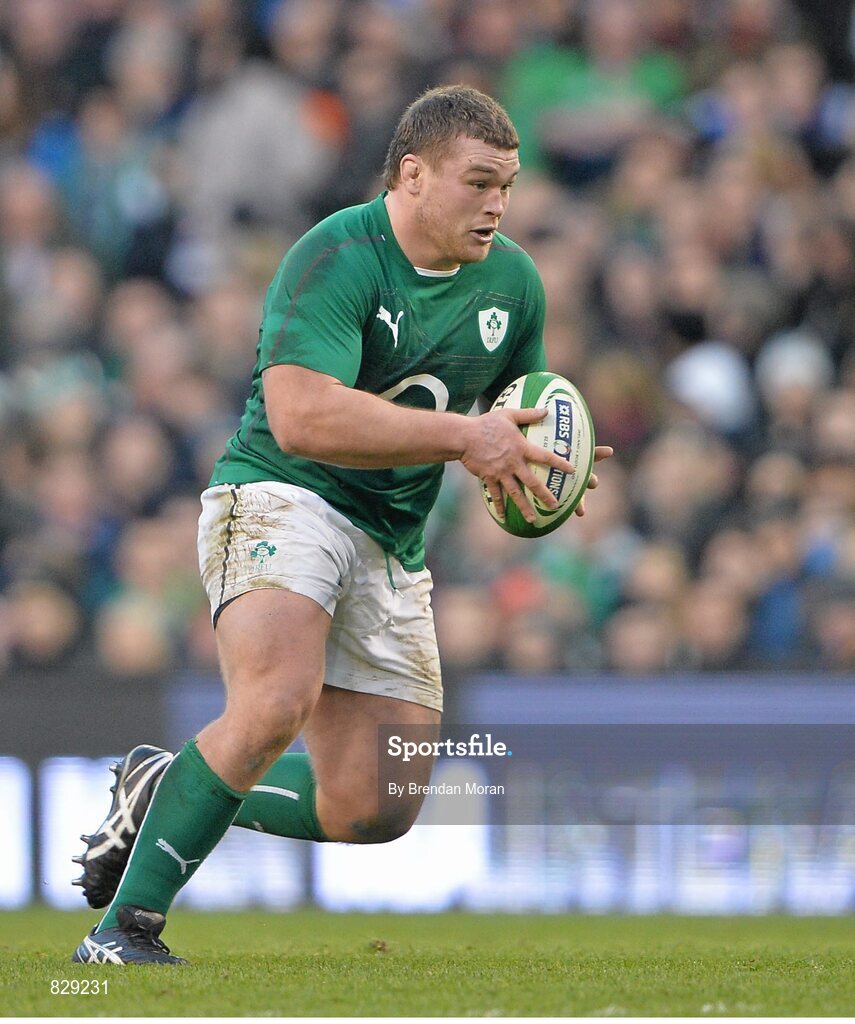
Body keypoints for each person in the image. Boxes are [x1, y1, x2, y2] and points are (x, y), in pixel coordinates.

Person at [71, 84, 613, 965]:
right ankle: (121, 933)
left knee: (376, 803)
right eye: (478, 182)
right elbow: (302, 417)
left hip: (392, 538)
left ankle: (163, 784)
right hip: (284, 494)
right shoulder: (336, 254)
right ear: (412, 173)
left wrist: (538, 473)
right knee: (274, 702)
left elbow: (512, 421)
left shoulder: (513, 281)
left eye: (506, 185)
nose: (497, 204)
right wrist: (464, 438)